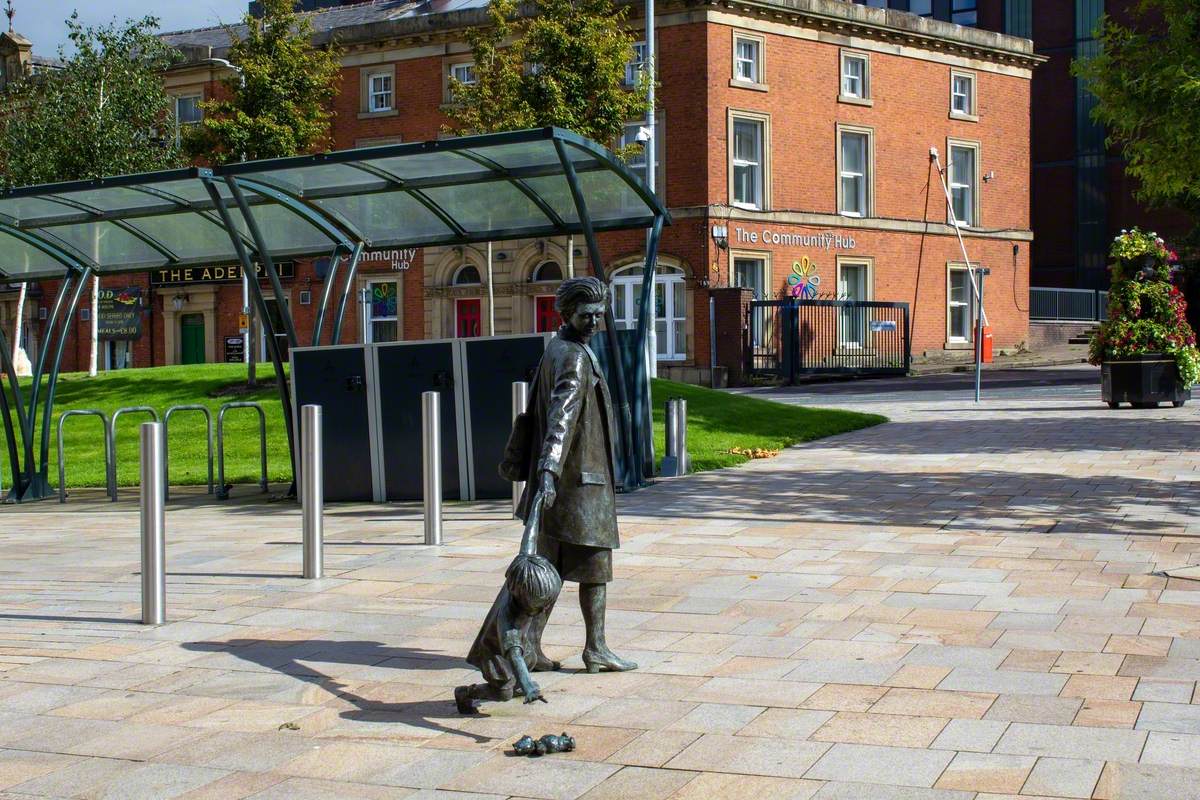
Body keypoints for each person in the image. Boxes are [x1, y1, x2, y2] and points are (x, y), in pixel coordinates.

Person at [516, 276, 637, 674]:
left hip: (562, 483)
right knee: (594, 568)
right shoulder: (574, 356)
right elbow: (561, 417)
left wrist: (545, 474)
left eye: (600, 314)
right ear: (567, 313)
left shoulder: (558, 348)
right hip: (581, 483)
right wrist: (550, 468)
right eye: (587, 315)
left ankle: (529, 644)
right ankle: (596, 648)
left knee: (550, 566)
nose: (595, 322)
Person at [455, 553, 562, 714]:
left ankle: (517, 684)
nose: (543, 610)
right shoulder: (508, 621)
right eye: (539, 606)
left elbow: (526, 551)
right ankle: (466, 692)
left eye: (546, 604)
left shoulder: (520, 592)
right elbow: (514, 657)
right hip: (496, 654)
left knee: (530, 661)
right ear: (517, 592)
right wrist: (528, 686)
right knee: (503, 693)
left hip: (519, 647)